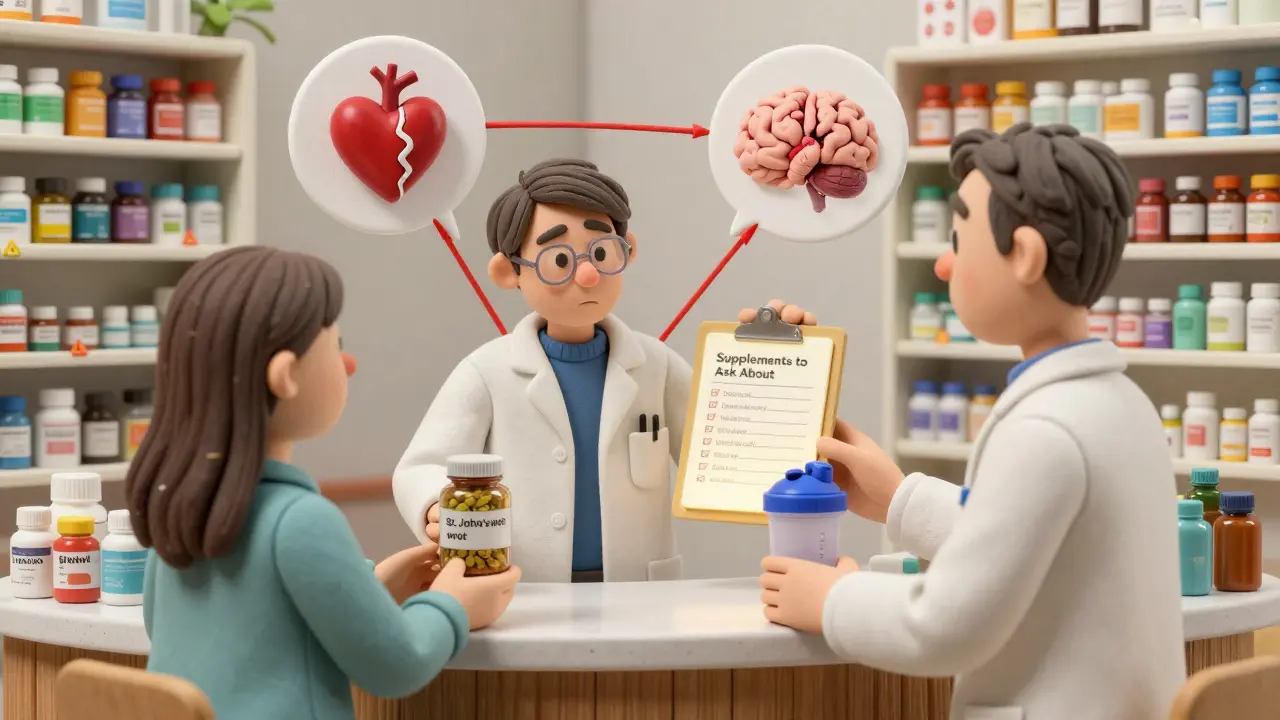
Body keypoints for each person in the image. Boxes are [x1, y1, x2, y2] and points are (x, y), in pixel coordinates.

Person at [759, 124, 1185, 719]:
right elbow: (1035, 543)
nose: (941, 264)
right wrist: (899, 498)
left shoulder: (1045, 429)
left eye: (959, 241)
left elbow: (945, 627)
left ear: (1027, 257)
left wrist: (835, 598)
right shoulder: (1120, 404)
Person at [129, 246, 522, 720]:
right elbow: (397, 666)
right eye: (335, 346)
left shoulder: (180, 509)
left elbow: (190, 625)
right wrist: (452, 606)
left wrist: (366, 588)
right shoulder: (300, 521)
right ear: (286, 376)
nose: (350, 363)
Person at [394, 158, 813, 583]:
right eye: (559, 260)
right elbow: (421, 465)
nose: (589, 275)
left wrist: (781, 369)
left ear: (627, 248)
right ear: (508, 272)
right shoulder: (486, 373)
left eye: (600, 252)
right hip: (526, 588)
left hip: (640, 588)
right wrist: (433, 504)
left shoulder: (657, 365)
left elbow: (723, 451)